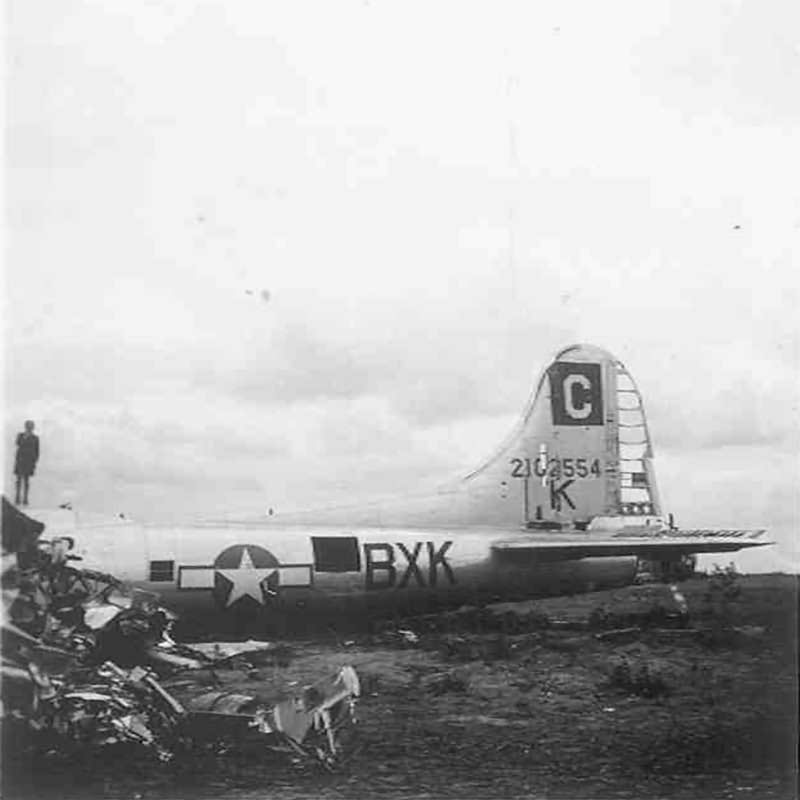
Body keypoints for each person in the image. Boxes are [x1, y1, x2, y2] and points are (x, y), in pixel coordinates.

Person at [14, 420, 40, 506]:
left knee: (26, 480)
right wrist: (25, 437)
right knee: (18, 480)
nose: (29, 428)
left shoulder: (35, 438)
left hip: (28, 461)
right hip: (20, 460)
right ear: (25, 427)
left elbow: (36, 451)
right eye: (28, 426)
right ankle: (17, 497)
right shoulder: (20, 435)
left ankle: (25, 498)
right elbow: (18, 443)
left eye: (31, 426)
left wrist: (34, 462)